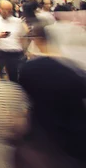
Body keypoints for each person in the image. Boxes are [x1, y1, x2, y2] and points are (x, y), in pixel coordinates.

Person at [15, 23, 86, 167]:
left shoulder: (29, 69)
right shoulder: (75, 70)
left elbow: (26, 100)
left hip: (44, 139)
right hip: (76, 138)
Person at [0, 0, 27, 82]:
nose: (6, 12)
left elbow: (23, 36)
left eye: (9, 10)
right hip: (1, 53)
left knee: (16, 78)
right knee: (3, 79)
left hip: (16, 53)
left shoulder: (17, 21)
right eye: (4, 9)